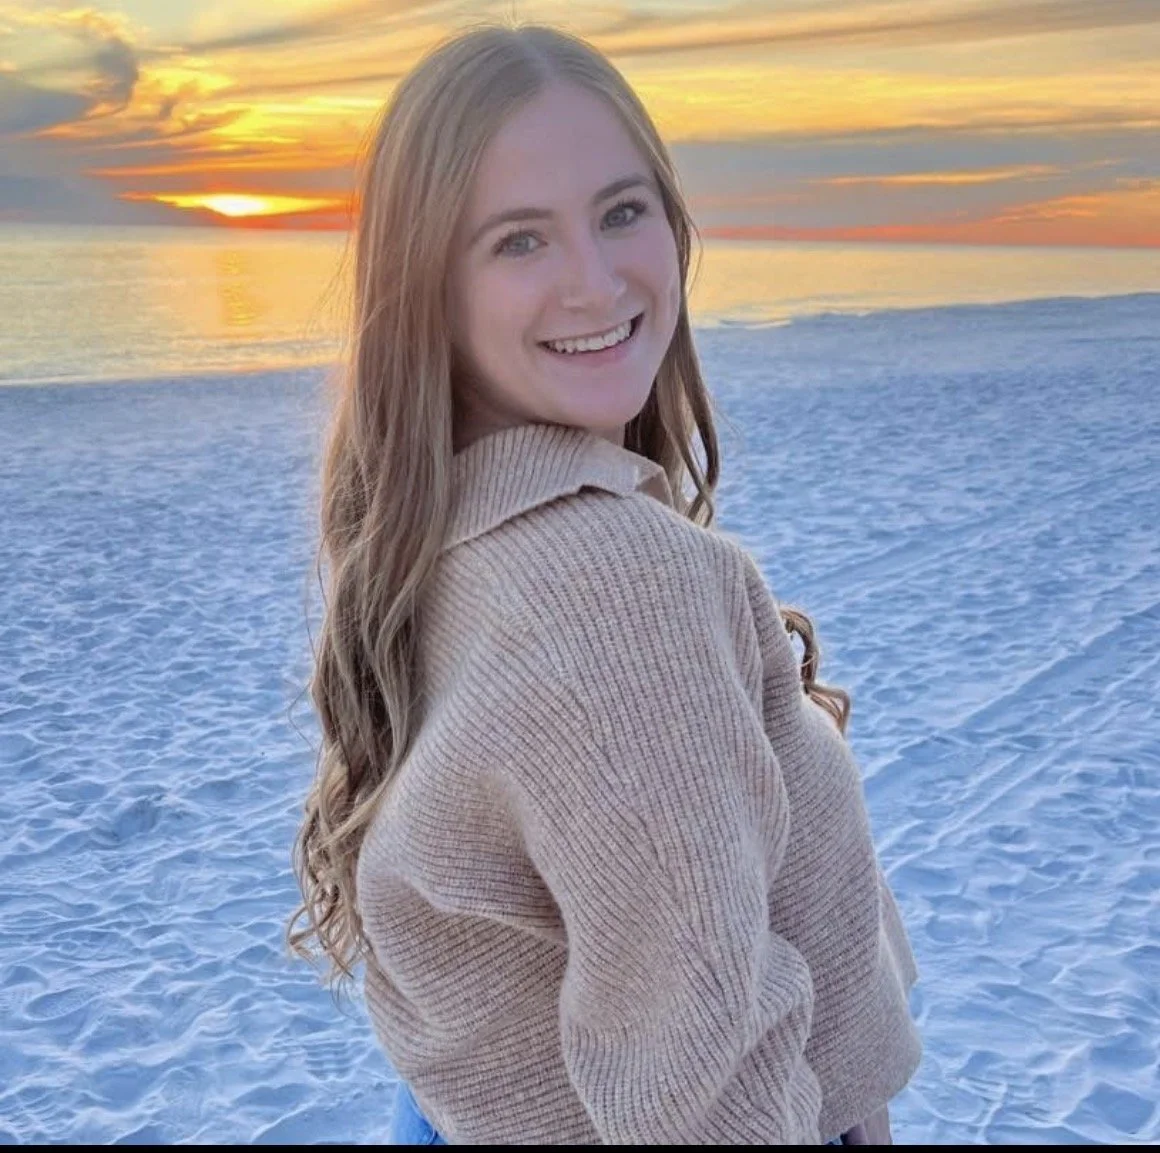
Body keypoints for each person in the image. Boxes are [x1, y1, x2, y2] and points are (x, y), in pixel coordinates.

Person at [289, 21, 922, 1146]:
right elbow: (706, 1085)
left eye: (621, 212)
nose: (595, 279)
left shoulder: (439, 534)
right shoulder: (615, 586)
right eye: (518, 240)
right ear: (426, 286)